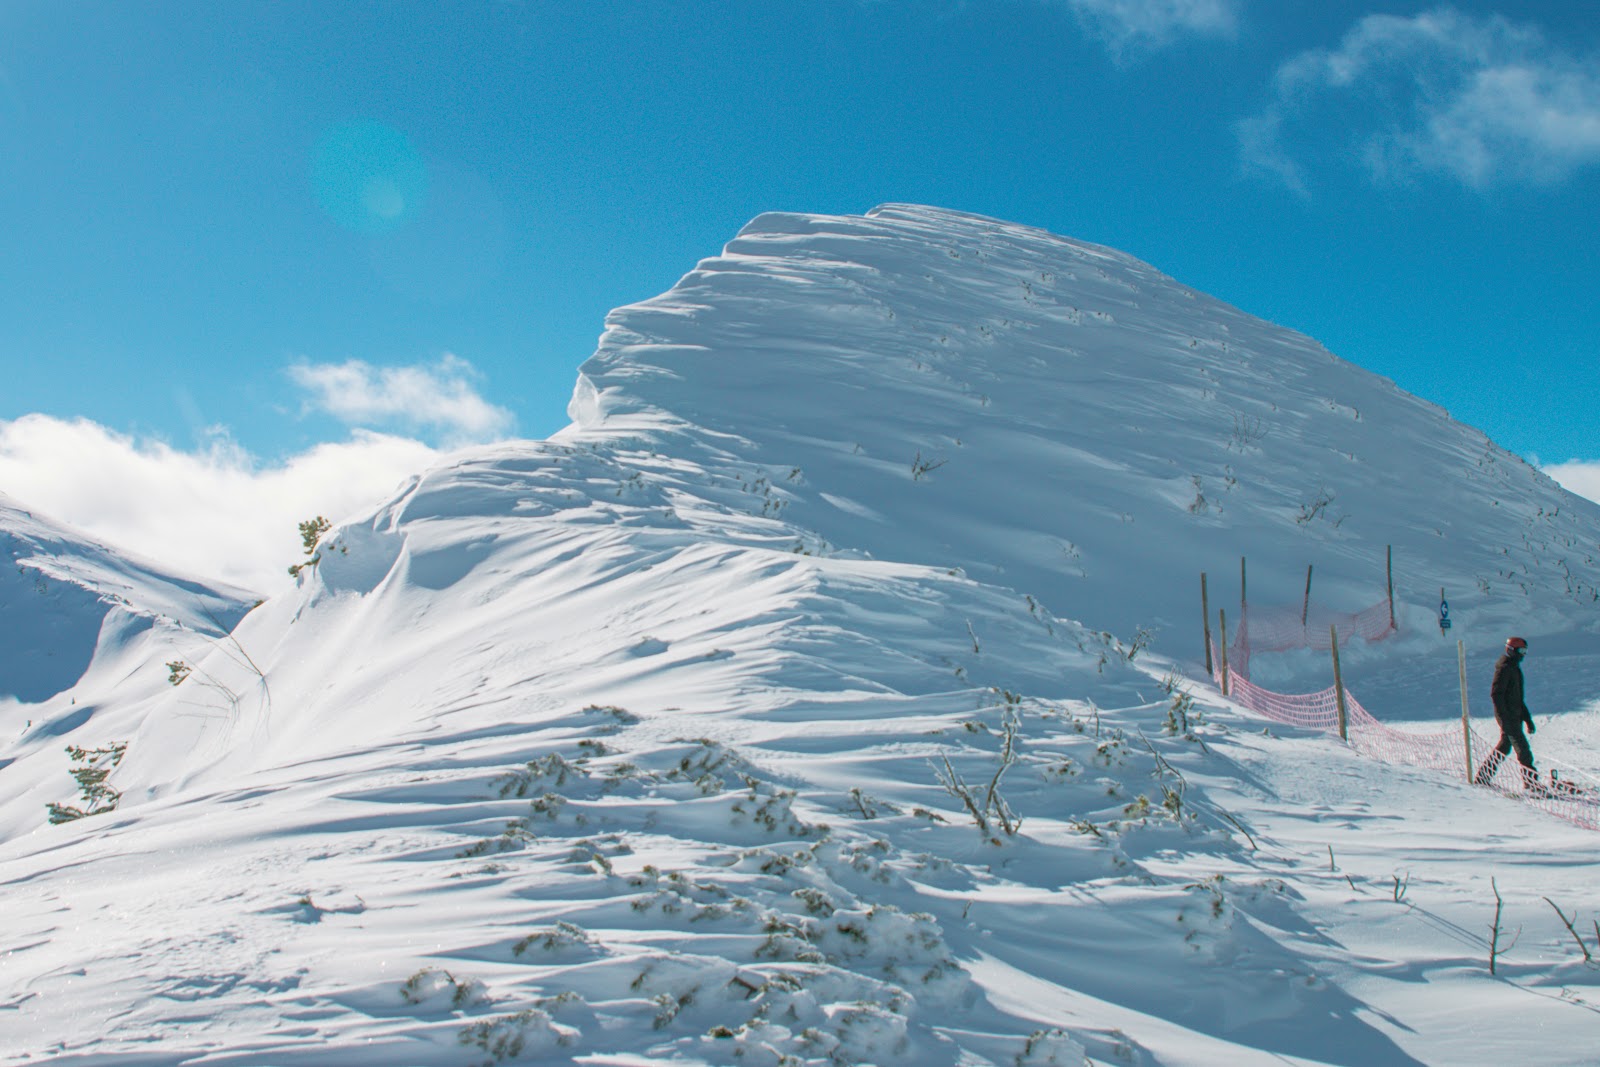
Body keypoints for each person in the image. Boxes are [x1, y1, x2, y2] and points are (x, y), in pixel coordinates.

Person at [1474, 636, 1538, 790]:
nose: (1523, 654)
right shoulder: (1505, 668)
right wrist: (1504, 718)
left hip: (1514, 715)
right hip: (1508, 717)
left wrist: (1527, 719)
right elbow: (1496, 694)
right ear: (1512, 650)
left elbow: (1518, 699)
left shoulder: (1514, 668)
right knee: (1523, 750)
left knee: (1504, 747)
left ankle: (1483, 777)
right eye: (1521, 651)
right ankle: (1532, 784)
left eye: (1525, 651)